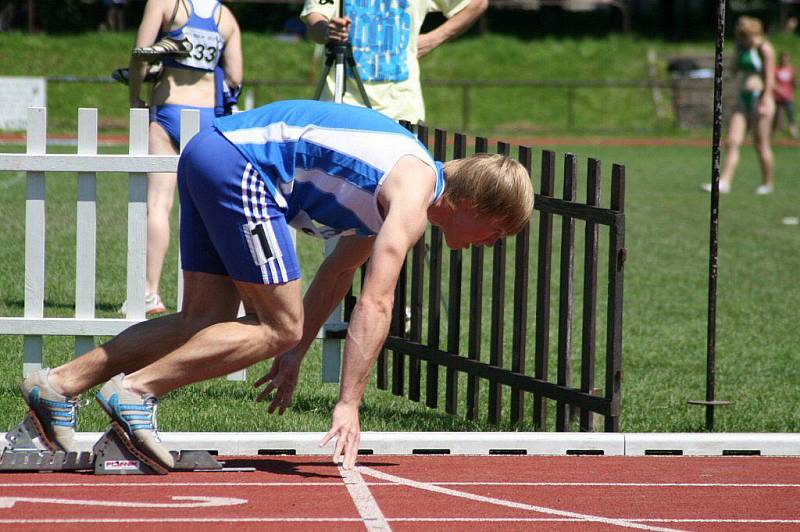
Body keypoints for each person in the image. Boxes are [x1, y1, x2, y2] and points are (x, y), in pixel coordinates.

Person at [19, 99, 534, 470]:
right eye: (498, 231)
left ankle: (59, 384)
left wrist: (294, 355)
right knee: (279, 324)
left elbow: (337, 274)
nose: (493, 243)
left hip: (210, 151)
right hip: (242, 167)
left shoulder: (398, 187)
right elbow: (376, 302)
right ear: (473, 204)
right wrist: (348, 402)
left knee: (204, 319)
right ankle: (135, 393)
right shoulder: (416, 190)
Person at [126, 0, 243, 315]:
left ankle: (149, 292)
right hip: (206, 117)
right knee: (210, 209)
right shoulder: (226, 17)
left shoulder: (164, 3)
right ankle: (220, 292)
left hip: (168, 110)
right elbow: (235, 78)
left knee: (159, 204)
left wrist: (135, 93)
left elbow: (139, 53)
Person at [301, 0, 487, 123]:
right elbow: (314, 19)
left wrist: (433, 39)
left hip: (401, 112)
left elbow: (476, 3)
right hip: (341, 109)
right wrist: (327, 31)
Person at [703, 16, 776, 195]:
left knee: (760, 144)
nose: (744, 39)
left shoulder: (764, 49)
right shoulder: (742, 49)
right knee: (733, 141)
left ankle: (767, 182)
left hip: (760, 98)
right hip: (742, 99)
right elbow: (734, 71)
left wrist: (765, 99)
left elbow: (770, 77)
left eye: (746, 36)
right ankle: (725, 181)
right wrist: (735, 53)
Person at [773, 51, 799, 139]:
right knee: (774, 116)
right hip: (776, 97)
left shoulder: (791, 70)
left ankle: (794, 134)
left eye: (786, 58)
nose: (784, 60)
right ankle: (772, 134)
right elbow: (772, 82)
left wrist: (796, 84)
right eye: (783, 58)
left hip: (788, 97)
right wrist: (778, 89)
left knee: (791, 115)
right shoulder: (775, 69)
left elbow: (794, 82)